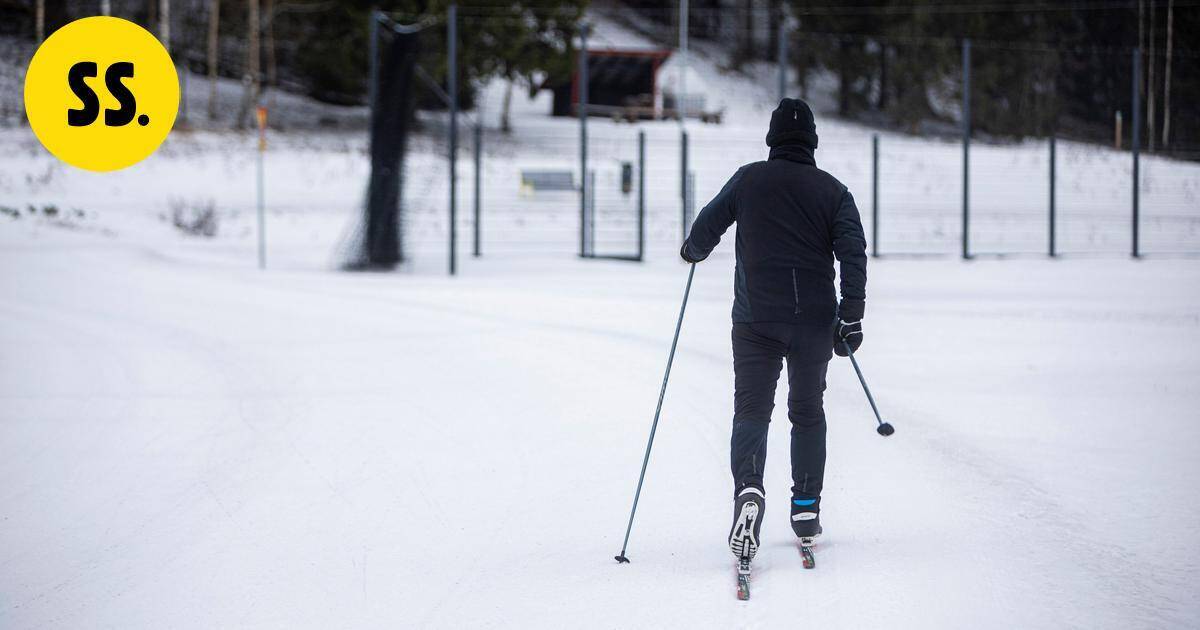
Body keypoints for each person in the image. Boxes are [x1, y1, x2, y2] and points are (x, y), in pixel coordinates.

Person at [680, 98, 867, 564]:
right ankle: (805, 509)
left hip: (755, 319)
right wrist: (852, 314)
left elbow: (708, 225)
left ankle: (749, 490)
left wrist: (692, 251)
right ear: (813, 143)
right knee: (807, 411)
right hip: (813, 323)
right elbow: (853, 252)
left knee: (752, 410)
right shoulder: (834, 191)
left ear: (771, 139)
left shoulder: (749, 179)